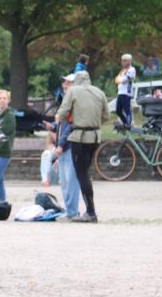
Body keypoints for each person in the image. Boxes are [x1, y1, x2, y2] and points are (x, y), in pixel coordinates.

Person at [56, 70, 111, 222]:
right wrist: (93, 121)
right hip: (95, 137)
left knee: (82, 175)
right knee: (84, 173)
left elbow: (62, 113)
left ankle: (90, 212)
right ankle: (89, 211)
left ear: (76, 81)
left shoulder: (73, 91)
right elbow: (106, 116)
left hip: (79, 137)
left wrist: (74, 118)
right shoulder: (100, 92)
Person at [48, 75, 81, 218]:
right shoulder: (66, 101)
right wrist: (54, 127)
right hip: (63, 147)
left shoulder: (75, 103)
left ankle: (73, 211)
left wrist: (60, 145)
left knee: (71, 181)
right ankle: (69, 210)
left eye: (68, 83)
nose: (64, 85)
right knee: (64, 182)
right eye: (65, 82)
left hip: (70, 146)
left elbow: (70, 127)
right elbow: (63, 126)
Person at [114, 53, 137, 126]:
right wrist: (119, 79)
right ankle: (125, 122)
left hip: (126, 92)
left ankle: (128, 123)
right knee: (118, 110)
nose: (123, 62)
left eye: (125, 60)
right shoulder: (123, 70)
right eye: (122, 60)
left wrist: (119, 79)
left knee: (127, 109)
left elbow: (123, 80)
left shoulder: (132, 69)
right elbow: (116, 80)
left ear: (129, 61)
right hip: (120, 92)